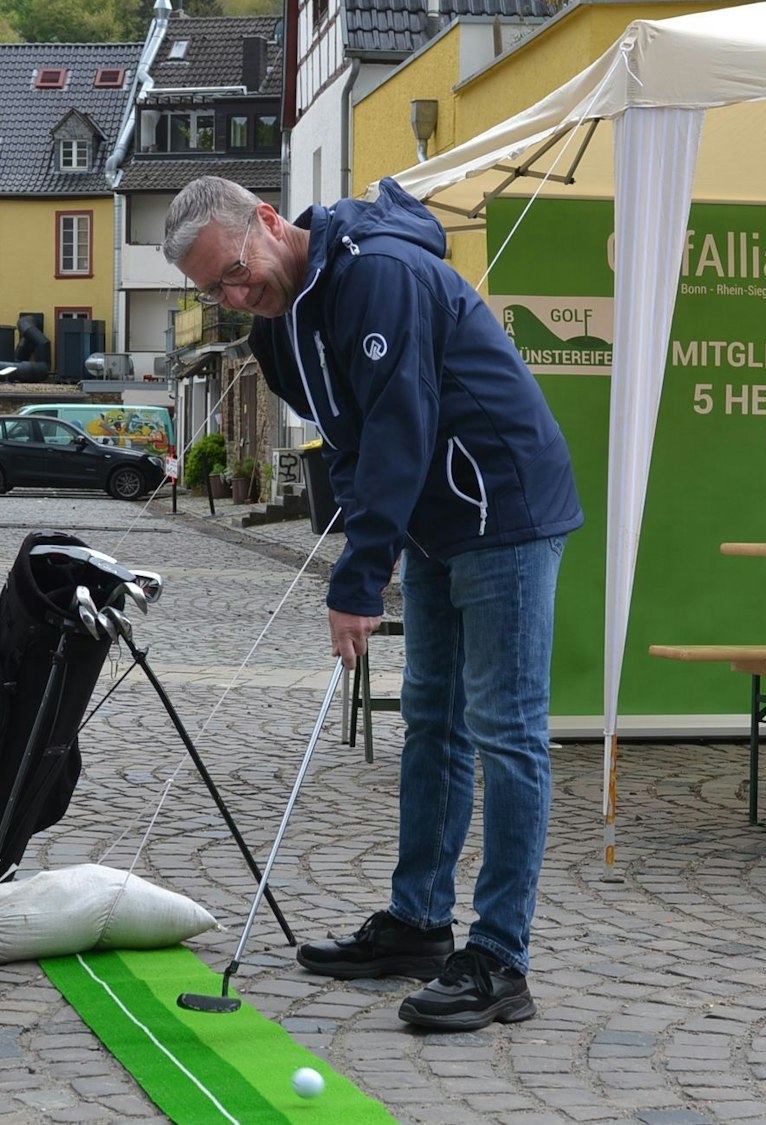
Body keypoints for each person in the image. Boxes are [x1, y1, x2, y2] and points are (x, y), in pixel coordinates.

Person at [164, 175, 584, 1032]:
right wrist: (367, 529)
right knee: (432, 718)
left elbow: (400, 423)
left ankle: (502, 957)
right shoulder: (282, 330)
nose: (237, 295)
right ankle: (420, 924)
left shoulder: (378, 273)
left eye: (238, 272)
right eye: (215, 291)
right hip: (438, 520)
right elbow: (348, 444)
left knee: (506, 729)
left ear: (272, 223)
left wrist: (359, 579)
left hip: (505, 503)